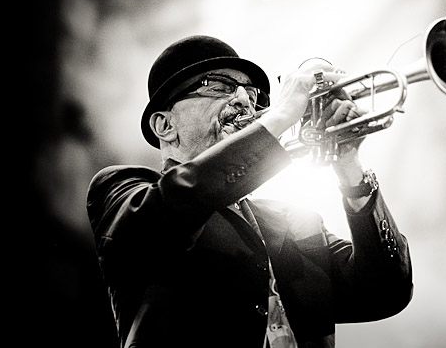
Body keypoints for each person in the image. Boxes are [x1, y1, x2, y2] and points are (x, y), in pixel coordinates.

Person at [87, 35, 413, 348]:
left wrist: (349, 167)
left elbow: (387, 292)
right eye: (219, 86)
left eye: (250, 93)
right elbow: (170, 211)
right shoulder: (122, 191)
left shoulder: (299, 223)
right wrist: (283, 115)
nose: (244, 100)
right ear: (165, 125)